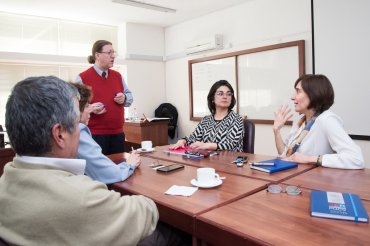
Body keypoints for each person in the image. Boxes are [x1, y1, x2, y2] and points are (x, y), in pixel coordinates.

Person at [0, 76, 159, 245]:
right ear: (59, 134)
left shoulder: (5, 182)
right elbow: (145, 213)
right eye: (78, 123)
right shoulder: (81, 198)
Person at [273, 74, 364, 169]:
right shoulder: (300, 121)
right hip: (298, 176)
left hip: (318, 180)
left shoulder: (327, 120)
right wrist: (277, 131)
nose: (292, 97)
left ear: (313, 94)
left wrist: (308, 158)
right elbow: (286, 156)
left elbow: (356, 159)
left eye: (298, 91)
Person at [72, 83, 140, 184]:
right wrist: (130, 164)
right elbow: (110, 174)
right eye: (87, 106)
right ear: (75, 109)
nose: (90, 110)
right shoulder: (78, 132)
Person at [76, 40, 133, 155]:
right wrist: (90, 108)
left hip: (118, 134)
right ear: (97, 55)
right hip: (95, 135)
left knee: (118, 167)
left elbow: (130, 98)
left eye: (113, 52)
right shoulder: (82, 78)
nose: (113, 56)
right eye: (109, 52)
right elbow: (74, 107)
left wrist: (125, 98)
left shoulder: (118, 76)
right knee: (96, 172)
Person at [172, 80, 244, 151]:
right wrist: (183, 141)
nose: (225, 97)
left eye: (229, 94)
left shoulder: (236, 120)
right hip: (208, 160)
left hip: (229, 161)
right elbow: (193, 139)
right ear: (212, 98)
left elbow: (230, 144)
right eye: (220, 93)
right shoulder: (206, 120)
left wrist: (206, 145)